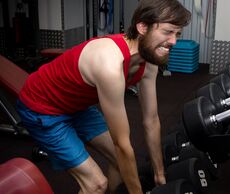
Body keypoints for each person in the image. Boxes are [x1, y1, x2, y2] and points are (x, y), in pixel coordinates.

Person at [16, 0, 191, 193]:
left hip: (77, 106)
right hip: (42, 108)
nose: (174, 41)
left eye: (178, 34)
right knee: (96, 184)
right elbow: (122, 144)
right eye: (167, 32)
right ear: (142, 27)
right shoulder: (110, 64)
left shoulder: (148, 60)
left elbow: (151, 120)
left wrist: (159, 174)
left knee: (120, 162)